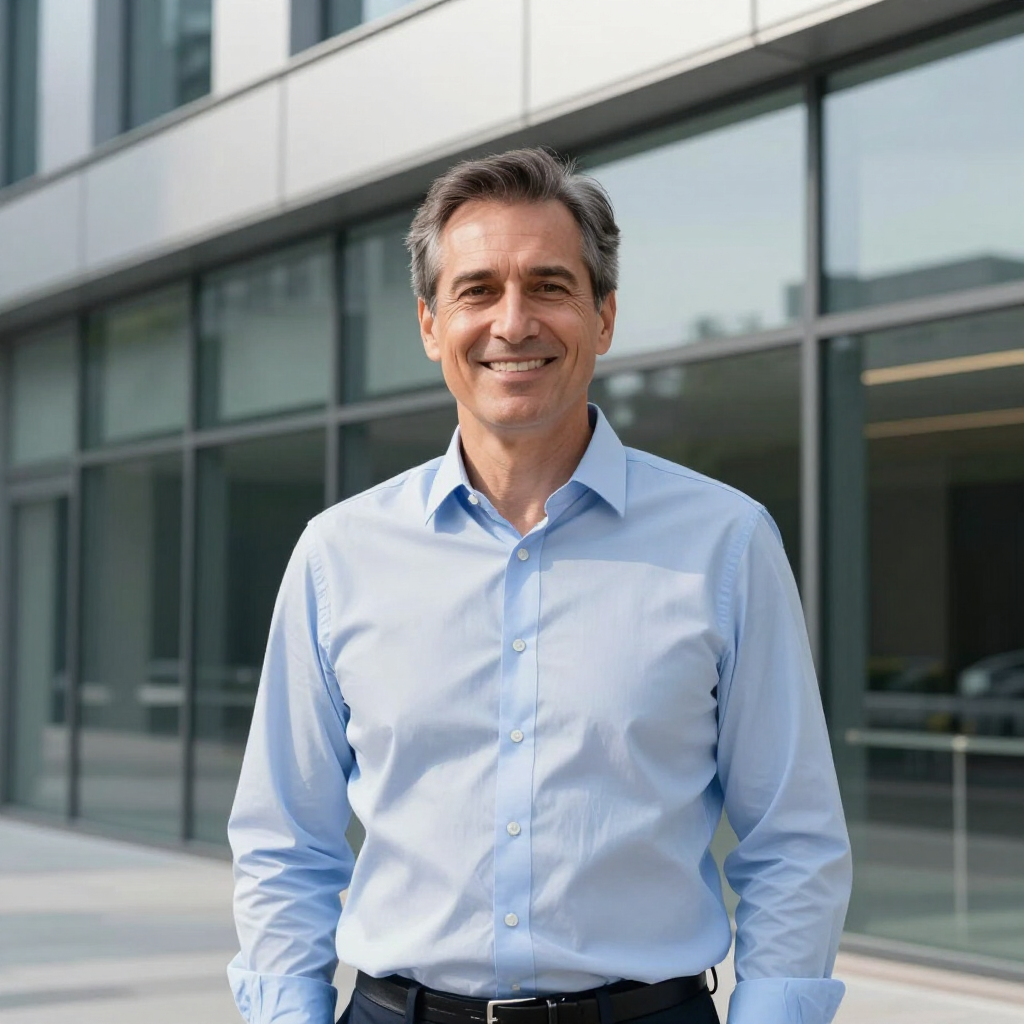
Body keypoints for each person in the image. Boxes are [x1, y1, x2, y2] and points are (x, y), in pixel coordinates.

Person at [227, 148, 852, 1024]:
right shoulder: (338, 554)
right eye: (478, 290)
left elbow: (793, 839)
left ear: (603, 318)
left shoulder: (727, 544)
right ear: (429, 324)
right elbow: (284, 840)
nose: (512, 323)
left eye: (550, 286)